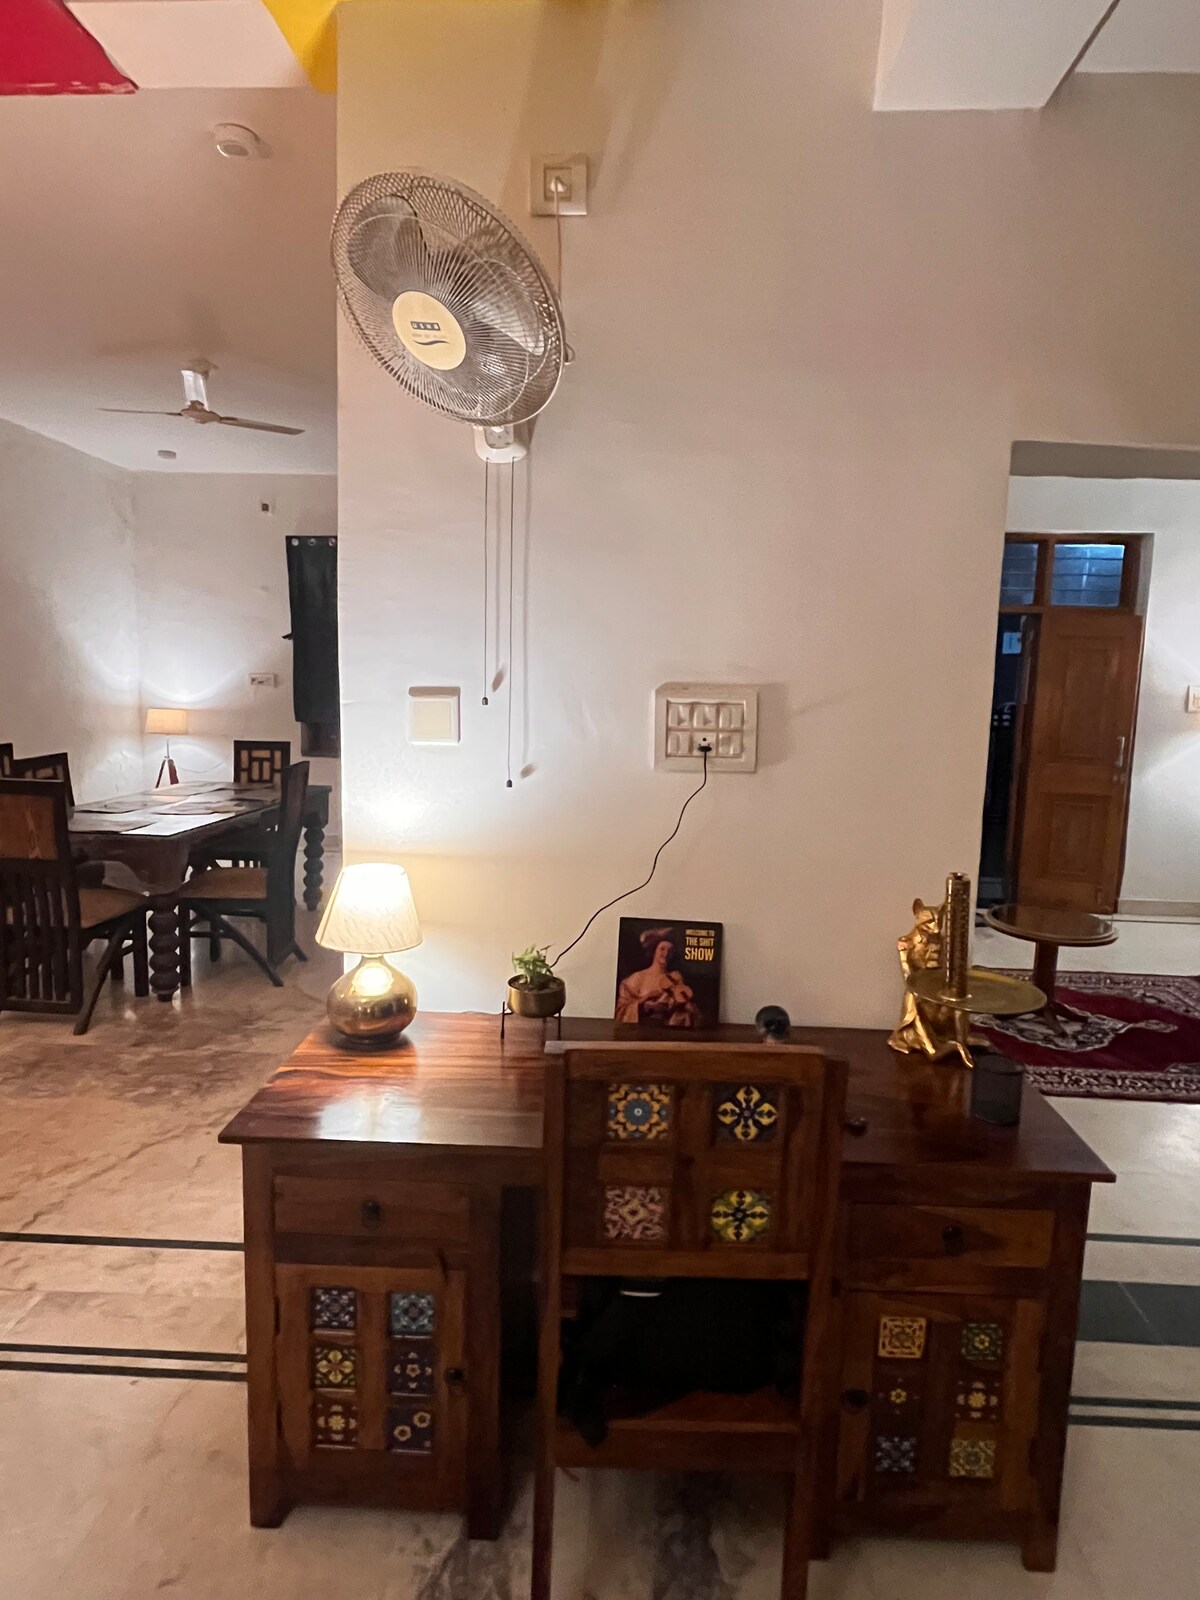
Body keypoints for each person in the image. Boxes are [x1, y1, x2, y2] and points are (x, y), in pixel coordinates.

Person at [615, 927, 701, 1027]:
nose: (666, 953)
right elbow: (621, 1011)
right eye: (662, 949)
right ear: (653, 952)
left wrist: (684, 1008)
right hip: (641, 1030)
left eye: (670, 950)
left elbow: (686, 1013)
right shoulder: (636, 978)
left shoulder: (675, 979)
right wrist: (644, 1001)